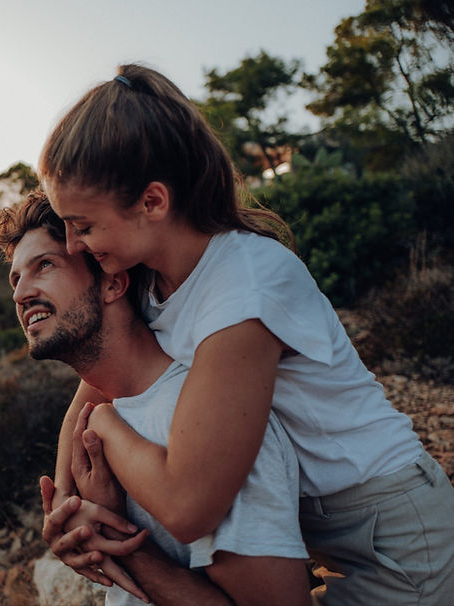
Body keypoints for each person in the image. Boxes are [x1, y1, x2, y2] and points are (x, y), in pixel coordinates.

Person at [36, 63, 454, 604]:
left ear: (153, 203)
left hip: (398, 545)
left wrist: (111, 429)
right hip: (323, 538)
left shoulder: (245, 283)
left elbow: (190, 507)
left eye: (84, 226)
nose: (71, 245)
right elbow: (94, 392)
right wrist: (67, 513)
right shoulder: (146, 280)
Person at [0, 191, 311, 606]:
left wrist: (117, 536)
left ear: (113, 282)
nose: (20, 295)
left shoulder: (205, 420)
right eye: (16, 279)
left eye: (45, 265)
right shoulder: (109, 418)